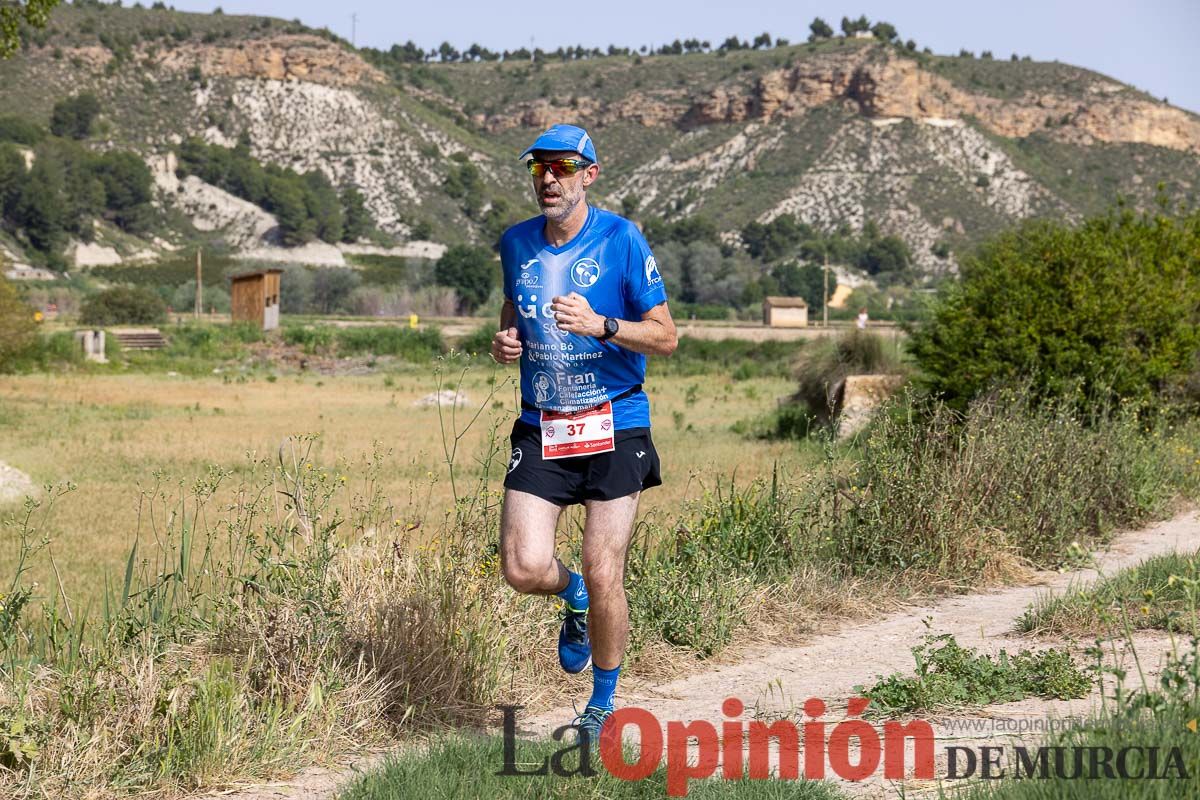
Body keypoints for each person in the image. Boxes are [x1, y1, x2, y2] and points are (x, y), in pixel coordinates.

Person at [491, 124, 677, 744]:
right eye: (539, 167)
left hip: (615, 421)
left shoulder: (622, 239)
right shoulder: (515, 243)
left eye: (563, 167)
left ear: (589, 174)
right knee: (522, 566)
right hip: (542, 423)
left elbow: (666, 336)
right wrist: (504, 342)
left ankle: (601, 703)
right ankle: (569, 596)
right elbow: (513, 313)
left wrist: (602, 325)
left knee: (604, 567)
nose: (549, 178)